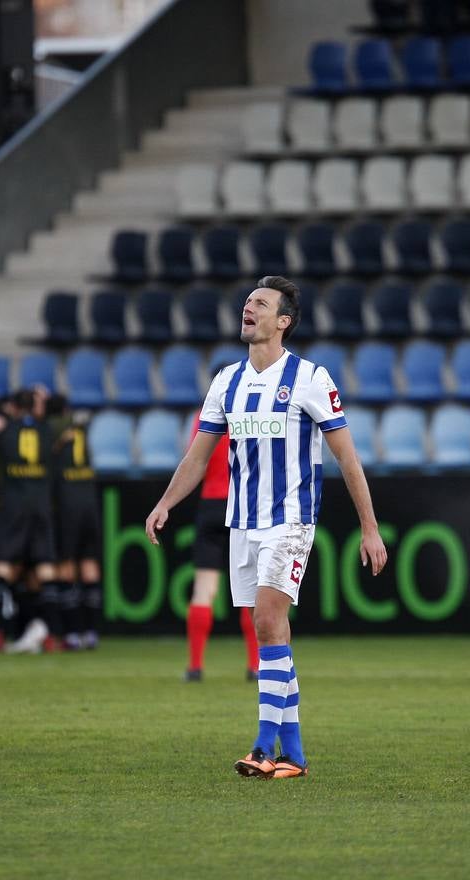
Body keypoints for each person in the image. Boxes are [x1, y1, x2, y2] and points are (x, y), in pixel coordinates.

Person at [146, 275, 389, 779]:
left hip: (291, 520)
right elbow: (197, 456)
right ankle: (294, 756)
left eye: (260, 303)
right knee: (274, 630)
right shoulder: (225, 382)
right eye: (246, 302)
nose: (247, 308)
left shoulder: (310, 378)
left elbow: (347, 458)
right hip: (242, 523)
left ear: (283, 322)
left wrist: (370, 527)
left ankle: (262, 747)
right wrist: (166, 502)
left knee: (264, 622)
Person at [184, 389, 261, 684]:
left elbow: (195, 461)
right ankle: (254, 666)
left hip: (210, 506)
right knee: (250, 592)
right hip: (242, 506)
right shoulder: (251, 416)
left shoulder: (203, 417)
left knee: (204, 589)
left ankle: (195, 666)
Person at [0, 389, 59, 654]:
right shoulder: (47, 431)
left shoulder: (4, 431)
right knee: (45, 570)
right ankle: (51, 635)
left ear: (15, 407)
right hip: (40, 504)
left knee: (3, 567)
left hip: (13, 505)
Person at [48, 395, 103, 650]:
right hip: (89, 498)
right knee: (90, 564)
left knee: (67, 565)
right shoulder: (79, 428)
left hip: (67, 501)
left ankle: (71, 633)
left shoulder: (52, 429)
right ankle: (91, 632)